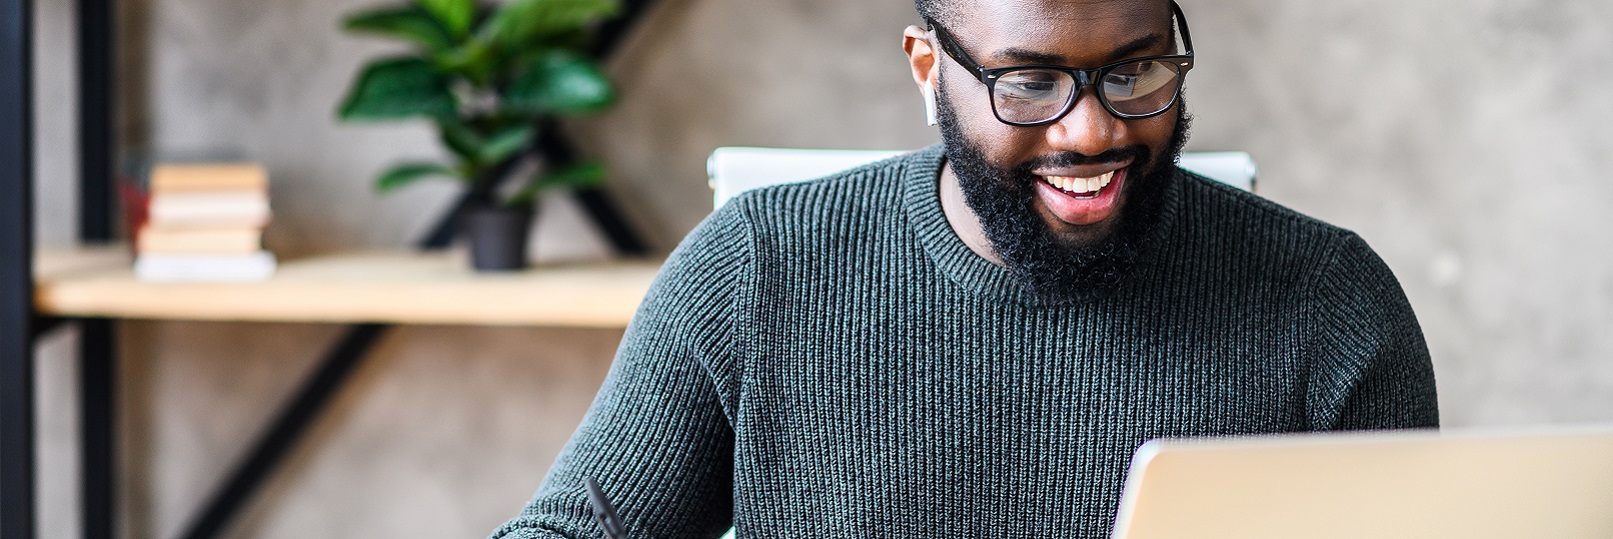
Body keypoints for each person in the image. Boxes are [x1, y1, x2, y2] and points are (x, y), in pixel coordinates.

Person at [491, 0, 1438, 537]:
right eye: (1028, 83)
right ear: (925, 66)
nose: (1093, 128)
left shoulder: (1329, 302)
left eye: (1136, 70)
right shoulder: (755, 271)